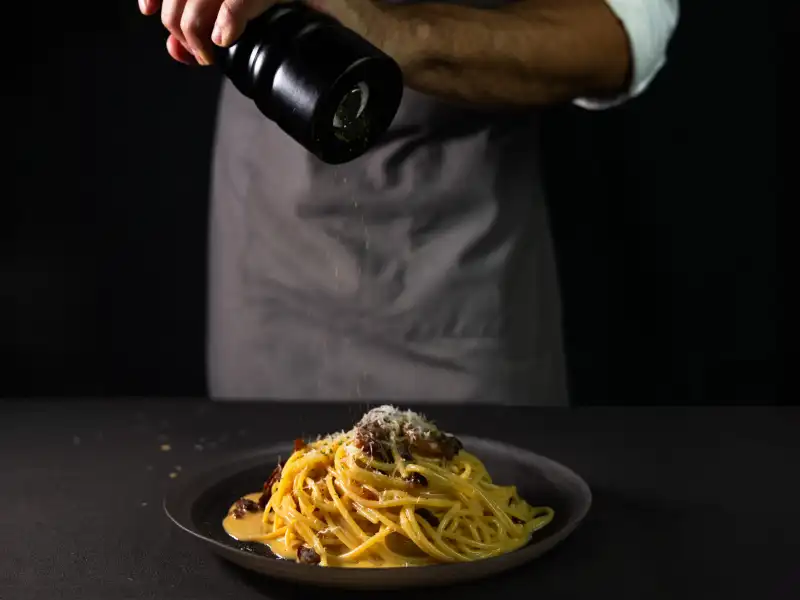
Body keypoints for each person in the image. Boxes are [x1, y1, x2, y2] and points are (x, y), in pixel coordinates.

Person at [139, 0, 678, 403]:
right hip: (270, 267)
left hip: (457, 272)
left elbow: (626, 33)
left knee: (482, 529)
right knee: (268, 521)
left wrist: (393, 33)